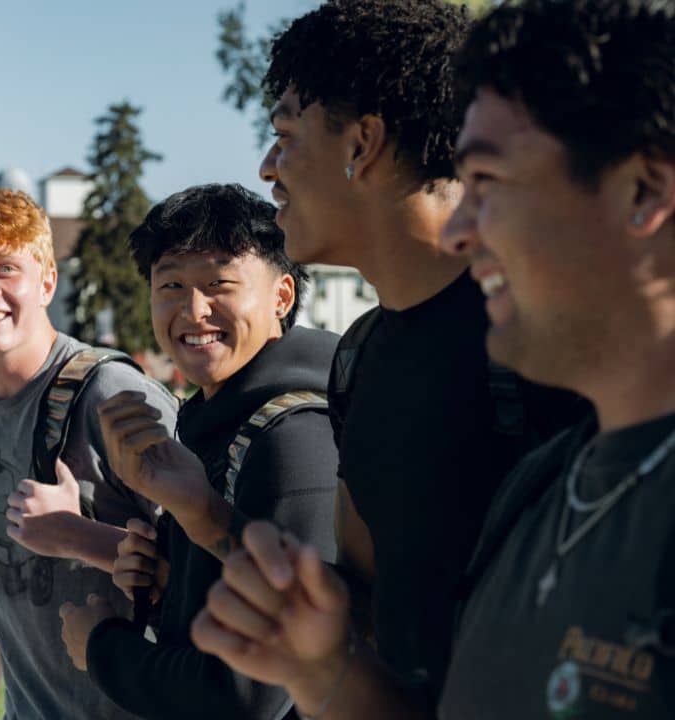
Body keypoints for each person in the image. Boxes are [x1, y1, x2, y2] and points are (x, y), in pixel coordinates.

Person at [192, 0, 675, 717]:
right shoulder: (553, 482)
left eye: (490, 182)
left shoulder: (553, 393)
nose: (461, 232)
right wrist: (327, 672)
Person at [250, 0, 585, 696]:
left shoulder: (555, 340)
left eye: (286, 136)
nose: (266, 167)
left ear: (361, 143)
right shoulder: (358, 353)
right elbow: (367, 602)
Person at [56, 184, 340, 719]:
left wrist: (101, 647)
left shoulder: (294, 438)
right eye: (171, 285)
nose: (193, 309)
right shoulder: (215, 419)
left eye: (219, 283)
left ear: (281, 295)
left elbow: (251, 694)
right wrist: (172, 581)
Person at [0, 187, 178, 720]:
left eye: (6, 269)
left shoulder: (113, 395)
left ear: (47, 282)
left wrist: (77, 537)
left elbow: (206, 572)